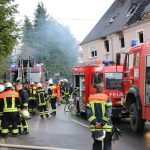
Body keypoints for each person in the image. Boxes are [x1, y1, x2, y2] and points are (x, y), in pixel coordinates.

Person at [86, 83, 112, 150]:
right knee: (107, 144)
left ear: (96, 90)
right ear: (103, 90)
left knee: (97, 144)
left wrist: (96, 123)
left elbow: (88, 113)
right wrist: (102, 123)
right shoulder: (107, 98)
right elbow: (108, 113)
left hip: (96, 127)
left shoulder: (90, 98)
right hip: (107, 126)